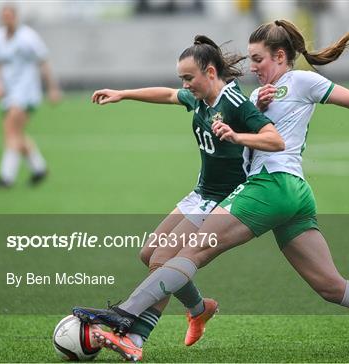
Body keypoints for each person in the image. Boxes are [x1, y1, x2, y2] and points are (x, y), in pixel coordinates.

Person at [74, 20, 349, 360]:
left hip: (270, 186)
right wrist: (254, 101)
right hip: (295, 195)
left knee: (187, 252)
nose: (252, 67)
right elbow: (214, 102)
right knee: (329, 285)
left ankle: (128, 316)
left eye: (258, 59)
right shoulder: (257, 95)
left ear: (280, 55)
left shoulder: (302, 81)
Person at [77, 35, 284, 361]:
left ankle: (135, 336)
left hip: (226, 200)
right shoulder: (201, 98)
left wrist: (237, 135)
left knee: (163, 261)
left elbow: (274, 138)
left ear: (211, 72)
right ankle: (200, 309)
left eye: (190, 78)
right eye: (182, 78)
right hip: (201, 193)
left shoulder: (235, 104)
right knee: (149, 254)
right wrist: (123, 94)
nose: (185, 85)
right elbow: (168, 94)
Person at [0, 4, 60, 188]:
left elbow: (44, 61)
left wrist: (52, 88)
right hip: (9, 93)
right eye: (4, 16)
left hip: (27, 93)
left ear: (16, 17)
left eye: (10, 16)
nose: (7, 19)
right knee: (16, 134)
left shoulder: (28, 37)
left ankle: (6, 177)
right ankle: (39, 169)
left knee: (10, 129)